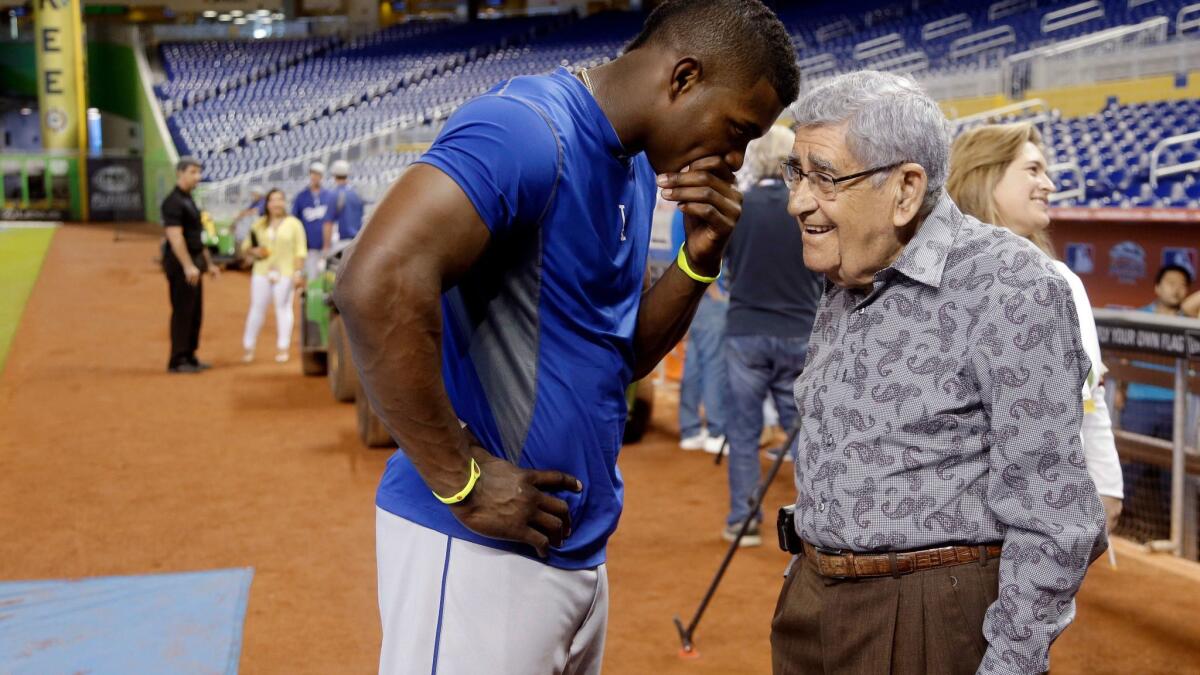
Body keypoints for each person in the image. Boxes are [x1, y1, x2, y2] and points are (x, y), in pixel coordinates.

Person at [333, 1, 797, 672]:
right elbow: (372, 281)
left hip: (572, 548)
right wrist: (460, 481)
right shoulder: (527, 128)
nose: (736, 158)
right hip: (472, 553)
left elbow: (620, 355)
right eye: (738, 129)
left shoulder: (633, 165)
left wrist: (700, 255)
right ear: (685, 76)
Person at [771, 71, 1106, 675]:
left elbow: (1053, 512)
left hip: (925, 619)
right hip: (813, 602)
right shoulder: (848, 270)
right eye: (796, 172)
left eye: (824, 176)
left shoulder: (1010, 284)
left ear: (905, 189)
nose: (797, 199)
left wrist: (1010, 664)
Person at [947, 122, 1124, 533]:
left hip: (1046, 512)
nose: (1048, 184)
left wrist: (1107, 483)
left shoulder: (1061, 279)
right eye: (1032, 170)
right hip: (957, 514)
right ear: (986, 176)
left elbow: (1090, 397)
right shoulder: (933, 276)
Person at [721, 125, 822, 546]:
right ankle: (816, 521)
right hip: (799, 330)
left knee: (743, 434)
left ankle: (744, 521)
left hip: (745, 330)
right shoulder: (804, 207)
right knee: (802, 433)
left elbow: (725, 268)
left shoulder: (738, 206)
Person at [671, 208, 729, 454]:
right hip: (707, 294)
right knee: (713, 364)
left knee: (693, 362)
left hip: (690, 294)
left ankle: (691, 430)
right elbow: (702, 251)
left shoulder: (681, 210)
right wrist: (715, 292)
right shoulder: (701, 207)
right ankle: (716, 432)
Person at [161, 156, 219, 373]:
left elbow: (198, 237)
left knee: (195, 312)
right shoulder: (173, 202)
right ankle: (177, 359)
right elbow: (175, 237)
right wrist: (187, 265)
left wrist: (209, 264)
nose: (198, 177)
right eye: (193, 172)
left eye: (199, 172)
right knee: (183, 311)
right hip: (180, 265)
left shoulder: (189, 200)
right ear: (180, 173)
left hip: (194, 262)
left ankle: (190, 354)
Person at [240, 189, 307, 364]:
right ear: (267, 204)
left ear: (284, 202)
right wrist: (254, 251)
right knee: (257, 309)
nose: (277, 203)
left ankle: (283, 347)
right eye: (273, 200)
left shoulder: (294, 224)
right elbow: (246, 246)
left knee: (283, 309)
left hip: (285, 273)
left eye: (280, 199)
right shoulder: (259, 225)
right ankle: (249, 346)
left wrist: (298, 273)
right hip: (262, 272)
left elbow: (300, 251)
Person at [291, 161, 335, 278]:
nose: (315, 177)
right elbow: (294, 220)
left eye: (318, 174)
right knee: (312, 277)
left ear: (322, 176)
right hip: (309, 245)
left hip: (329, 245)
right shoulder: (301, 196)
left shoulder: (329, 195)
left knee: (327, 279)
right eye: (313, 173)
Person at [328, 159, 365, 252]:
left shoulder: (334, 194)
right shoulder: (357, 193)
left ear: (334, 175)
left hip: (340, 243)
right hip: (357, 241)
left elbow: (329, 222)